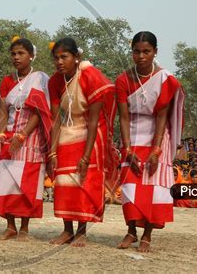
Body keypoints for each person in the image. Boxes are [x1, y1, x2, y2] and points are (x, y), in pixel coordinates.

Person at [116, 31, 184, 252]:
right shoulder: (123, 79)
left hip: (157, 136)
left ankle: (146, 234)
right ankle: (131, 231)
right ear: (132, 53)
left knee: (153, 188)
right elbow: (124, 117)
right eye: (136, 51)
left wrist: (156, 151)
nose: (141, 56)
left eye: (146, 51)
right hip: (132, 135)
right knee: (130, 187)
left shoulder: (165, 80)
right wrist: (126, 148)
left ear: (155, 52)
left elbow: (162, 116)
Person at [47, 38, 117, 247]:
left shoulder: (90, 76)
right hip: (67, 133)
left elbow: (95, 121)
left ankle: (82, 231)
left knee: (84, 182)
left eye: (64, 57)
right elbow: (55, 119)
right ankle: (67, 230)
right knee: (63, 183)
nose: (60, 62)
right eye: (56, 58)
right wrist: (52, 152)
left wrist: (86, 156)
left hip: (89, 134)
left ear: (76, 58)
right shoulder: (55, 81)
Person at [0, 37, 51, 241]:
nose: (16, 57)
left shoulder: (39, 78)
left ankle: (25, 228)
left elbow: (39, 111)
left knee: (27, 182)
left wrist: (23, 135)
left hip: (30, 136)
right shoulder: (7, 80)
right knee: (8, 181)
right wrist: (2, 132)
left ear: (31, 56)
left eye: (21, 53)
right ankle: (10, 226)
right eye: (13, 54)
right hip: (9, 135)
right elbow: (4, 109)